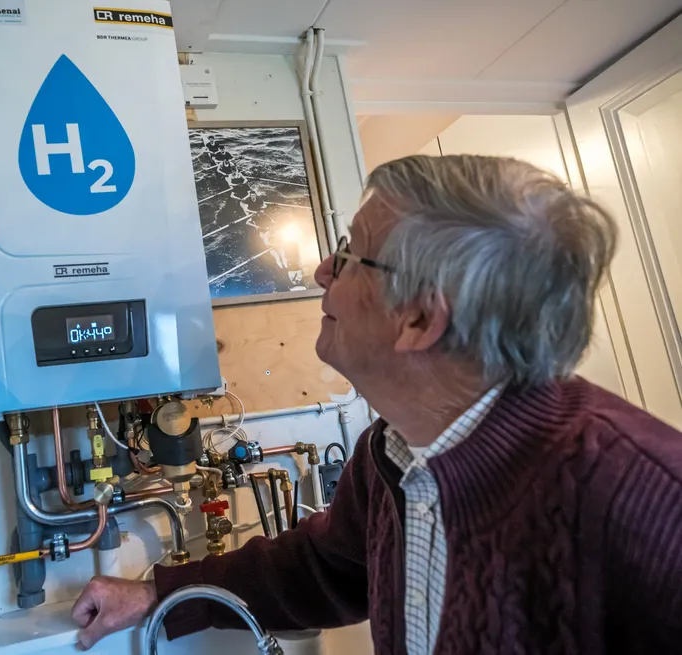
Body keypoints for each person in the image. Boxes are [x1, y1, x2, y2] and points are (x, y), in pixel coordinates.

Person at [71, 155, 682, 653]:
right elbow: (321, 567)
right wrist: (159, 593)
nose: (320, 270)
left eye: (351, 254)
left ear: (419, 317)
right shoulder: (391, 451)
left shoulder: (651, 503)